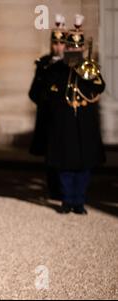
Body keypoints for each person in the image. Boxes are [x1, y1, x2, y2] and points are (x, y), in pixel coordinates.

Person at [43, 14, 106, 214]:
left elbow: (100, 87)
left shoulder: (89, 68)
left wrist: (86, 72)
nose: (75, 51)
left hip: (85, 123)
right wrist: (65, 68)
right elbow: (49, 91)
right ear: (66, 48)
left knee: (84, 165)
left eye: (78, 48)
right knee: (66, 165)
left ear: (83, 49)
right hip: (65, 122)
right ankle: (67, 199)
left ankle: (79, 200)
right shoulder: (57, 69)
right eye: (71, 47)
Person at [29, 14, 67, 200]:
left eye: (61, 43)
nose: (57, 47)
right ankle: (54, 189)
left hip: (68, 117)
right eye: (55, 42)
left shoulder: (73, 64)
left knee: (67, 154)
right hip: (49, 116)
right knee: (51, 156)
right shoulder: (44, 63)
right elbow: (34, 91)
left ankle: (67, 191)